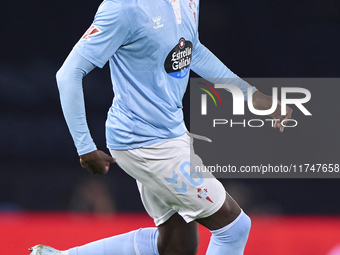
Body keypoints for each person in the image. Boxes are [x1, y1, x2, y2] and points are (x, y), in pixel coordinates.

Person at [30, 0, 292, 254]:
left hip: (171, 134)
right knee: (233, 226)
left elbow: (193, 49)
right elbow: (68, 73)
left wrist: (249, 94)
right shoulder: (124, 8)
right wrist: (85, 146)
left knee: (177, 245)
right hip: (146, 143)